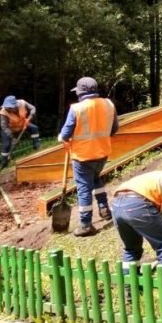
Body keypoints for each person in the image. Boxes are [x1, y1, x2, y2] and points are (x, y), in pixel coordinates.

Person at [58, 77, 119, 237]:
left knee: (84, 187)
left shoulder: (76, 109)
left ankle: (86, 224)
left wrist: (62, 138)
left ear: (81, 93)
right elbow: (114, 129)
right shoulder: (108, 104)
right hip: (102, 153)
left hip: (83, 156)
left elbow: (65, 134)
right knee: (96, 179)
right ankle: (104, 208)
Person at [0, 95, 40, 168]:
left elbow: (33, 108)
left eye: (9, 108)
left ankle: (36, 147)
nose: (7, 109)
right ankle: (4, 162)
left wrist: (30, 117)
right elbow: (4, 127)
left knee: (34, 128)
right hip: (9, 129)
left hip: (22, 124)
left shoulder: (22, 103)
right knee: (7, 145)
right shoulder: (3, 112)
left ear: (14, 106)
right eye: (6, 107)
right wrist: (13, 138)